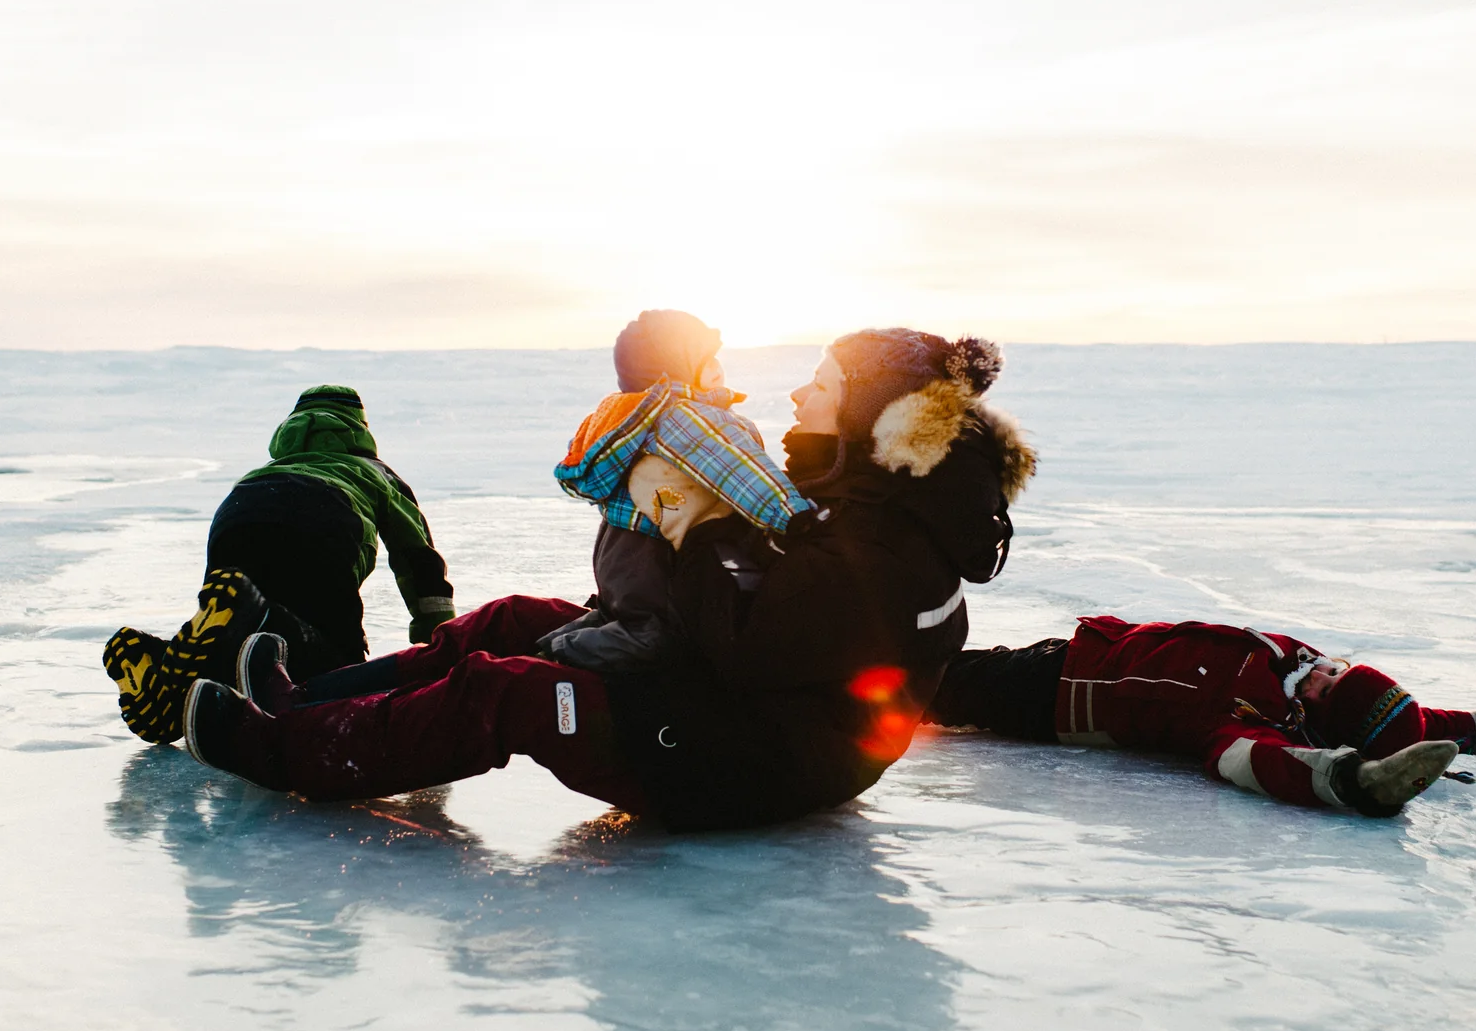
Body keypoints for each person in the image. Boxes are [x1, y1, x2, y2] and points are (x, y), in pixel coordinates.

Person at [175, 328, 1037, 832]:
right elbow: (743, 612)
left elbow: (743, 642)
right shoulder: (859, 498)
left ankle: (277, 749)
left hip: (742, 761)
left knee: (515, 692)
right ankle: (312, 700)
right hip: (734, 711)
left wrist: (689, 524)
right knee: (518, 620)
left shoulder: (887, 549)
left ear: (871, 412)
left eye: (826, 384)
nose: (803, 393)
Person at [926, 618, 1476, 815]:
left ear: (1321, 709)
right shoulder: (1298, 664)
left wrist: (1347, 778)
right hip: (1082, 650)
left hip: (1062, 698)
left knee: (931, 684)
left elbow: (1251, 759)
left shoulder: (1257, 716)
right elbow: (1406, 719)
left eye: (1330, 679)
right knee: (936, 655)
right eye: (1337, 666)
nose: (1325, 666)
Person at [103, 384, 455, 744]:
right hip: (324, 513)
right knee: (337, 666)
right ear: (360, 430)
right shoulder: (372, 470)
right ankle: (248, 609)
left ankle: (164, 665)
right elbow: (418, 559)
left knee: (240, 652)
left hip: (239, 507)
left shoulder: (272, 466)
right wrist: (440, 642)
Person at [540, 309, 811, 671]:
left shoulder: (625, 413)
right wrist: (793, 516)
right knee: (653, 632)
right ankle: (558, 656)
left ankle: (544, 647)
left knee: (618, 614)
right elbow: (739, 471)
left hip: (617, 547)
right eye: (705, 358)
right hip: (652, 550)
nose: (717, 366)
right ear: (676, 364)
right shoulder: (687, 415)